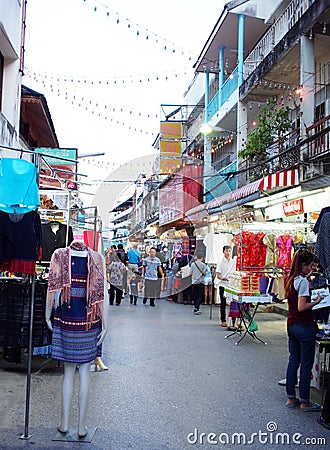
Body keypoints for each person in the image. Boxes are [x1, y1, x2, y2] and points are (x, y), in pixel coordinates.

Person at [45, 241, 108, 438]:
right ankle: (81, 427)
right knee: (85, 374)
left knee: (68, 374)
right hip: (90, 321)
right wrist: (105, 324)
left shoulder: (59, 254)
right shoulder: (98, 257)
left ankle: (64, 424)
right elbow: (102, 293)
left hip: (66, 319)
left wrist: (48, 315)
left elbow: (52, 287)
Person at [284, 249, 323, 411]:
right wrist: (317, 301)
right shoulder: (303, 283)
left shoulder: (291, 279)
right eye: (310, 266)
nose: (312, 269)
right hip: (304, 326)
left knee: (294, 360)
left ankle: (291, 398)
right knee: (306, 364)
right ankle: (305, 401)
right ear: (303, 265)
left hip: (292, 325)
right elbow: (302, 307)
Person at [216, 246, 236, 328]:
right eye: (226, 251)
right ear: (223, 252)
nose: (228, 253)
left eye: (229, 251)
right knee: (223, 303)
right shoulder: (221, 262)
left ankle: (233, 321)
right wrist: (225, 278)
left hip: (231, 285)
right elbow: (218, 275)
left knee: (233, 302)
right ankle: (223, 320)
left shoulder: (233, 262)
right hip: (223, 284)